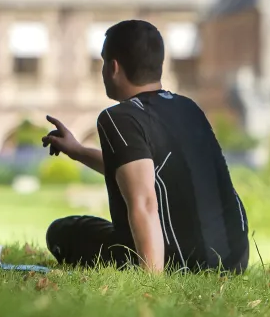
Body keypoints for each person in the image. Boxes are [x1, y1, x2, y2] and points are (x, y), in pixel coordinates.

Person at [43, 20, 249, 274]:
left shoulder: (119, 118)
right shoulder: (189, 108)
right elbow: (139, 170)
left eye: (103, 62)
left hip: (178, 261)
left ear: (113, 67)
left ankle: (151, 265)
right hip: (233, 259)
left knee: (63, 232)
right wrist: (78, 151)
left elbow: (144, 201)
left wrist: (151, 281)